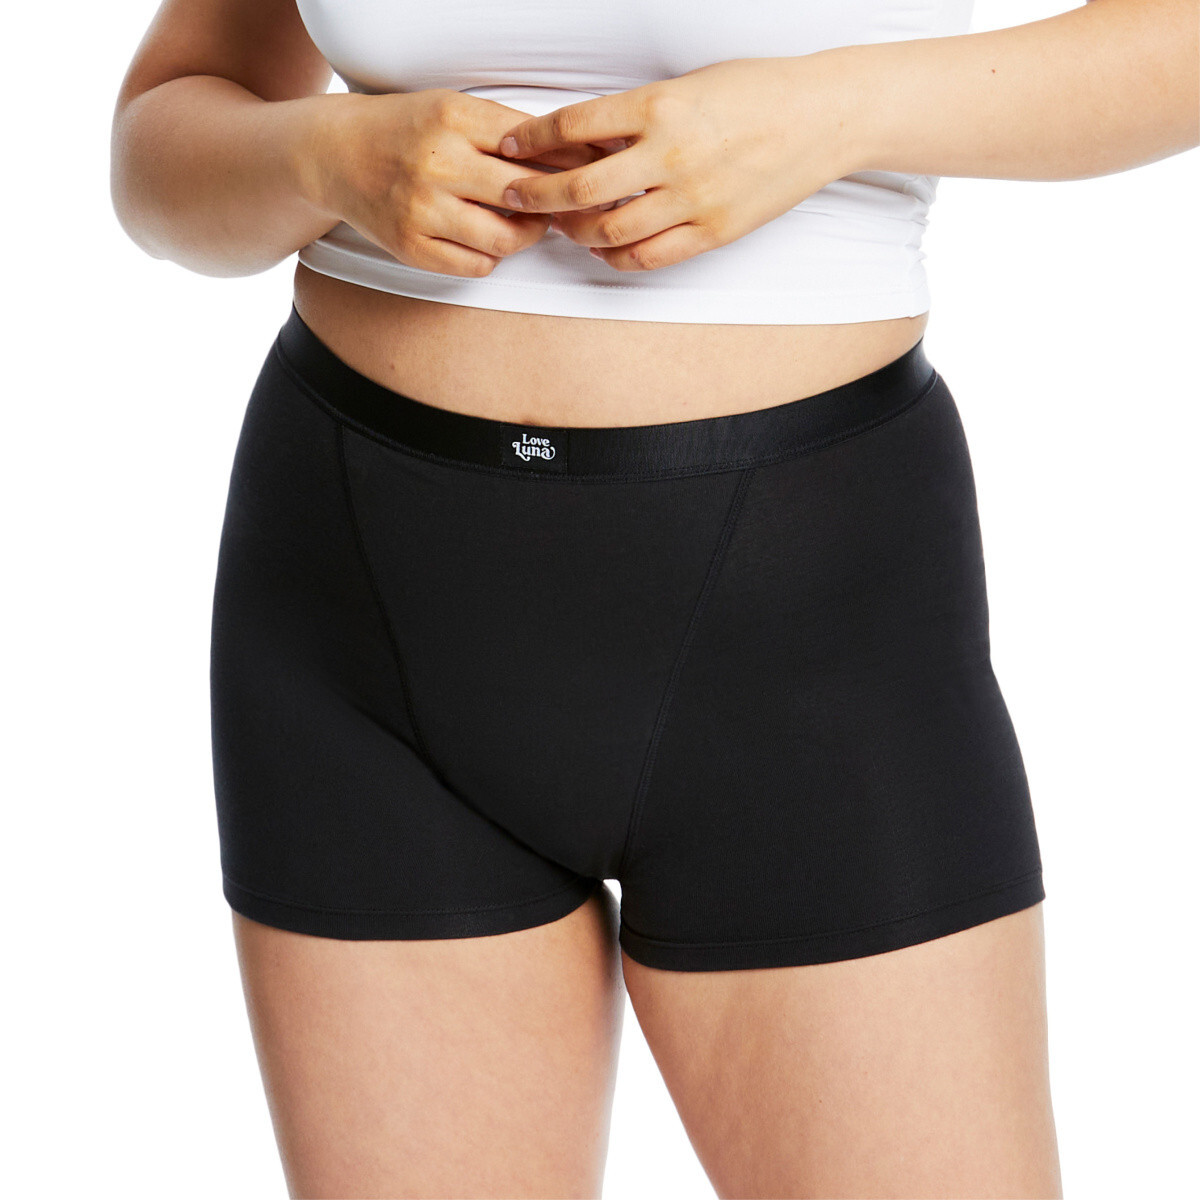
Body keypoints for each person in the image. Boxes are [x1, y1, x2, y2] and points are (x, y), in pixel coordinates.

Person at [109, 0, 1197, 1195]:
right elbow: (162, 142)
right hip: (362, 605)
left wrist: (837, 111)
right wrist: (320, 157)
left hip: (807, 625)